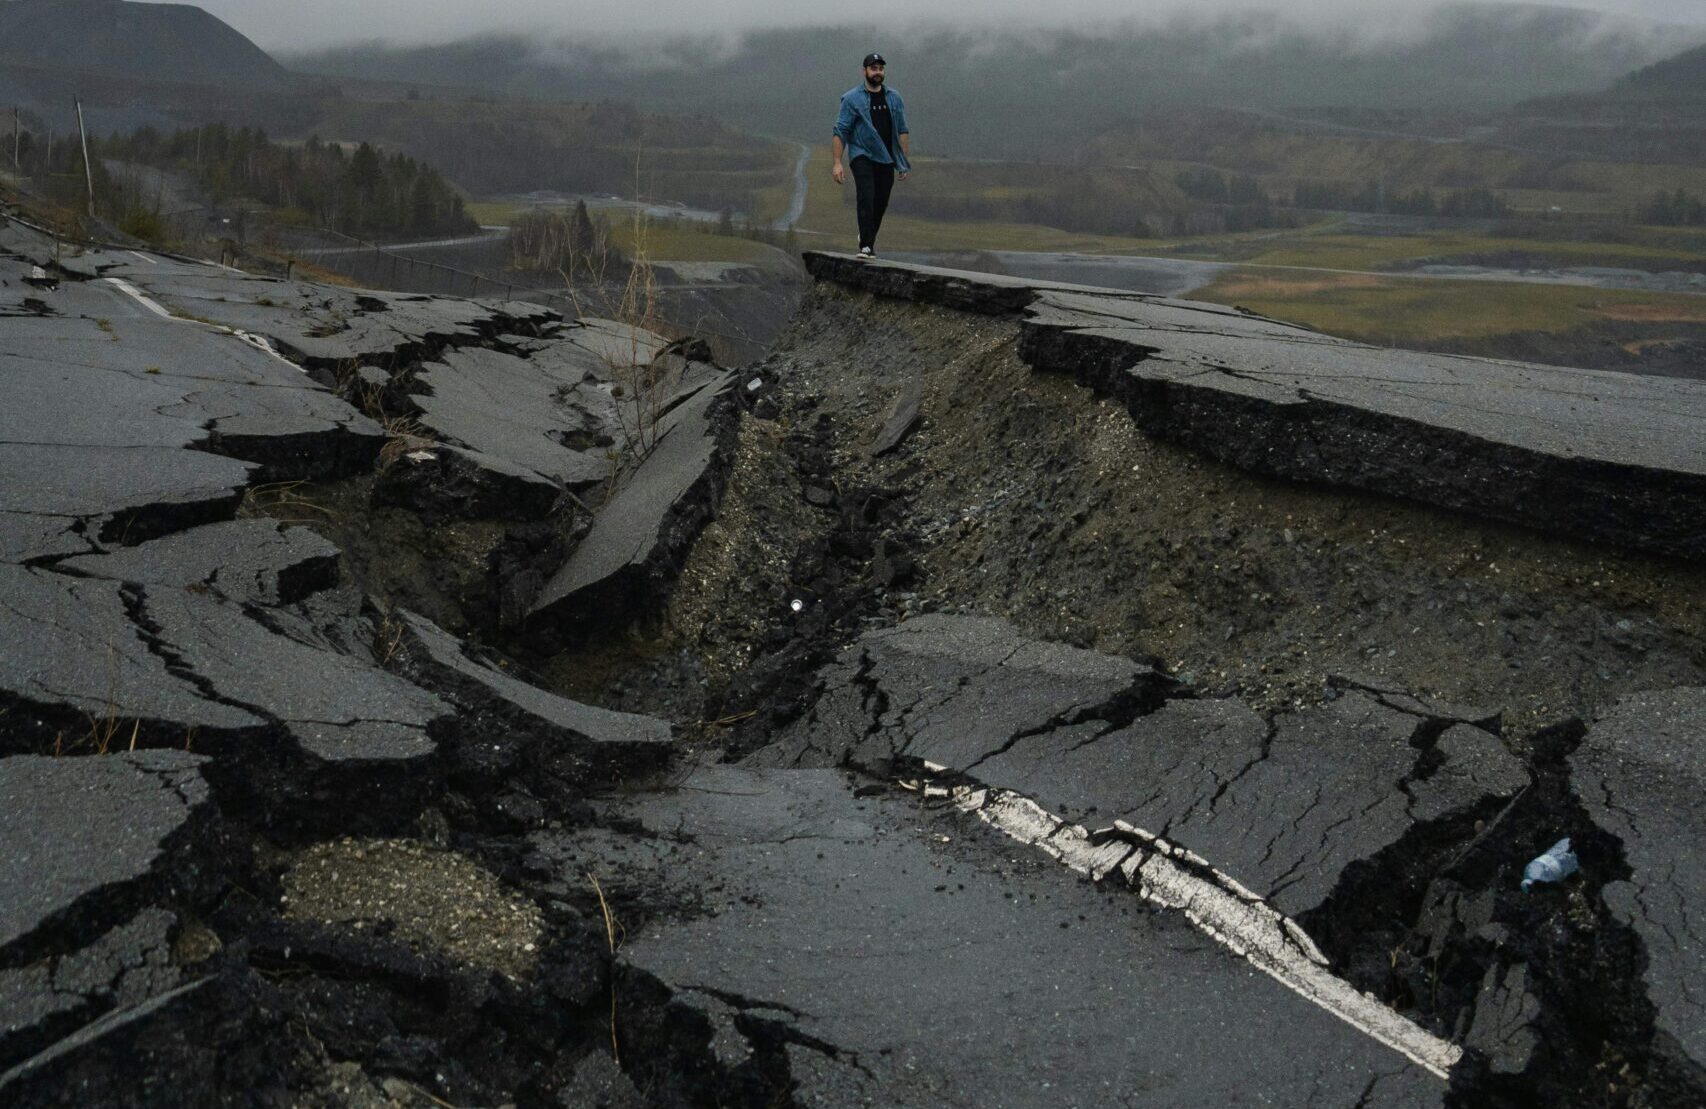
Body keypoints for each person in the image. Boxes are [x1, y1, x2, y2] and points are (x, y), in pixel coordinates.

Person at [831, 52, 911, 259]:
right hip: (862, 154)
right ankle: (866, 246)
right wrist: (837, 163)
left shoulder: (894, 97)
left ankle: (866, 235)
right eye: (874, 68)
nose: (878, 72)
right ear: (864, 71)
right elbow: (841, 130)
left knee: (881, 202)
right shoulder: (851, 99)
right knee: (866, 196)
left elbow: (902, 129)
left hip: (886, 157)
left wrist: (902, 162)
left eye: (881, 68)